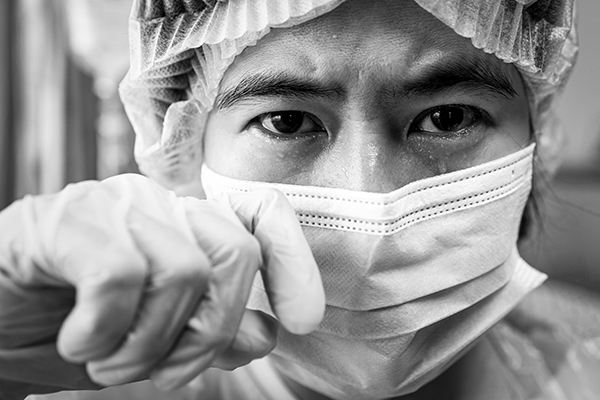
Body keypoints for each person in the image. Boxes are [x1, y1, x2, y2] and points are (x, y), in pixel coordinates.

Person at [1, 0, 599, 399]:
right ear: (183, 147)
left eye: (448, 118)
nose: (371, 197)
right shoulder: (84, 378)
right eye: (286, 122)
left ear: (537, 137)